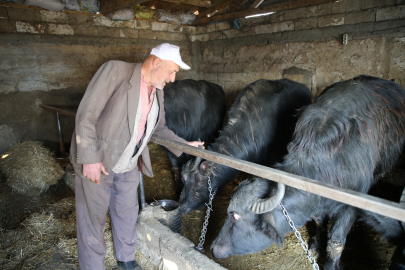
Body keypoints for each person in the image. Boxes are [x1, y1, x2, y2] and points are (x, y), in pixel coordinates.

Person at [70, 43, 204, 270]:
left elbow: (158, 128)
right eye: (171, 71)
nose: (172, 79)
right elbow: (86, 115)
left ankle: (126, 259)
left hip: (129, 163)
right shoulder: (115, 71)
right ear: (156, 63)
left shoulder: (157, 92)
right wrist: (90, 158)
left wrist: (184, 145)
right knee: (92, 220)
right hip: (99, 162)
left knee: (127, 213)